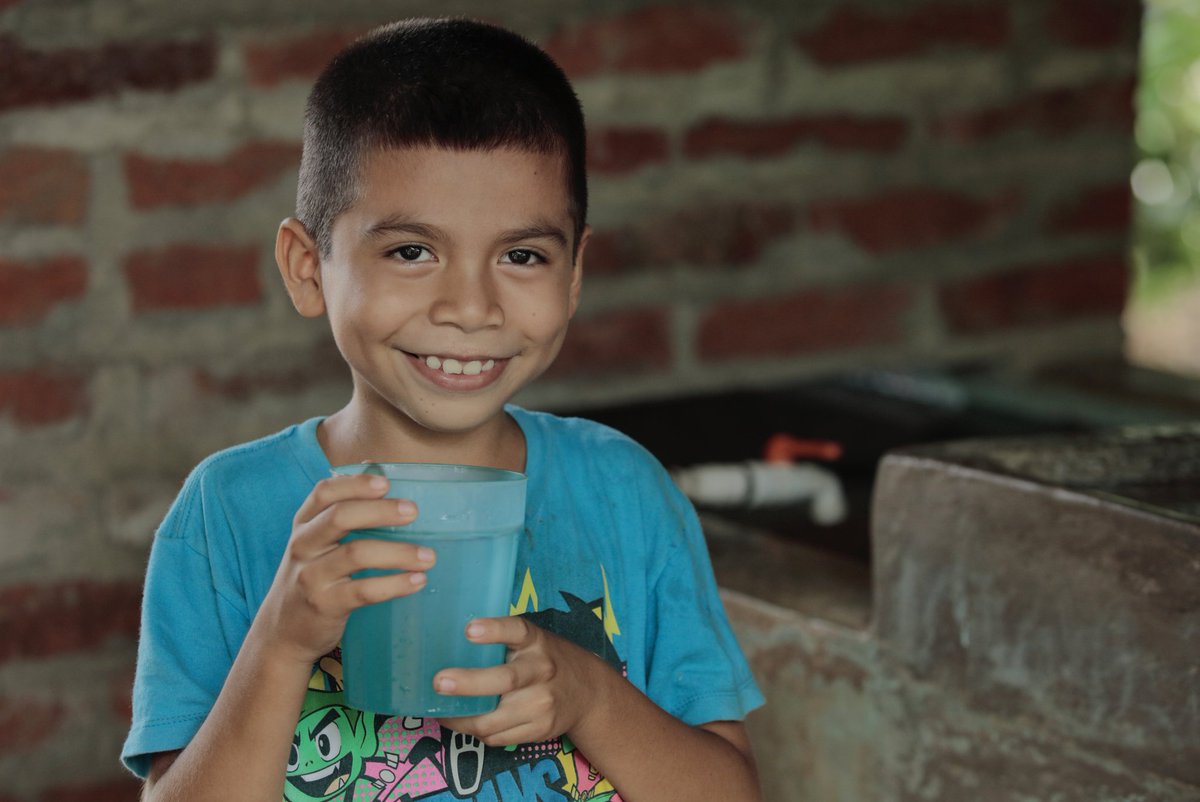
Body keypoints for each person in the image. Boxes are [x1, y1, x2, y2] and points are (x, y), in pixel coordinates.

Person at [122, 17, 764, 802]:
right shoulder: (226, 513)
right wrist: (283, 644)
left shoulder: (626, 491)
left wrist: (591, 697)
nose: (470, 306)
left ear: (573, 274)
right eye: (411, 251)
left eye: (522, 255)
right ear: (307, 268)